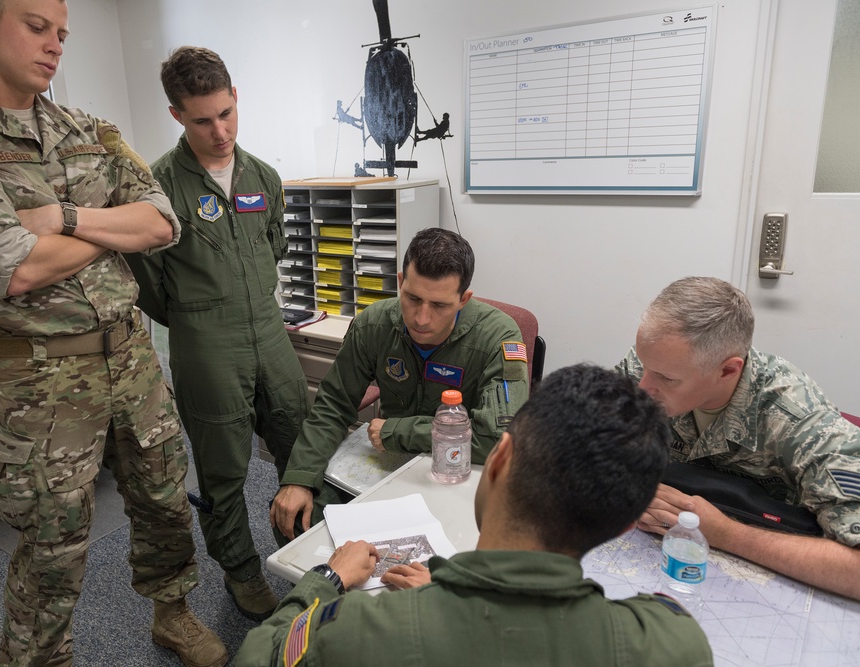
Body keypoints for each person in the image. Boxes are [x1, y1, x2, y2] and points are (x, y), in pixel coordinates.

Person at [0, 2, 227, 666]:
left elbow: (162, 223)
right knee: (53, 544)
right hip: (40, 379)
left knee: (164, 501)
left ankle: (174, 613)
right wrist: (106, 224)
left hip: (131, 357)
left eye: (63, 34)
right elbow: (13, 266)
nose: (55, 46)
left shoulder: (91, 129)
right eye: (37, 26)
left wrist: (64, 217)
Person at [236, 364, 714, 666]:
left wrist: (326, 579)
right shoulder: (672, 643)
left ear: (499, 459)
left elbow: (260, 656)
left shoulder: (359, 632)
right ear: (627, 523)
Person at [124, 46, 309, 622]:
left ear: (236, 100)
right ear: (177, 114)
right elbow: (150, 288)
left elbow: (274, 246)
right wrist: (202, 318)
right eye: (203, 120)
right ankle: (242, 572)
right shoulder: (156, 187)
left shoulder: (263, 177)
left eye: (227, 113)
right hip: (205, 343)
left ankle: (303, 552)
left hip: (270, 332)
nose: (220, 131)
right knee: (224, 470)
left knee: (302, 449)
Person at [270, 228, 530, 541]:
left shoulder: (498, 336)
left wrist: (400, 432)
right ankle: (322, 590)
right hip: (387, 465)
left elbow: (498, 438)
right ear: (399, 283)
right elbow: (333, 405)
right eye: (413, 298)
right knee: (296, 518)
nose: (421, 318)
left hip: (458, 474)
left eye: (439, 306)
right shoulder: (374, 324)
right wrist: (299, 478)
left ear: (463, 299)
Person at [618, 276, 860, 600]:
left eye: (666, 378)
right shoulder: (654, 364)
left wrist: (726, 534)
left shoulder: (801, 423)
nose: (643, 387)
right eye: (644, 365)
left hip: (769, 583)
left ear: (728, 371)